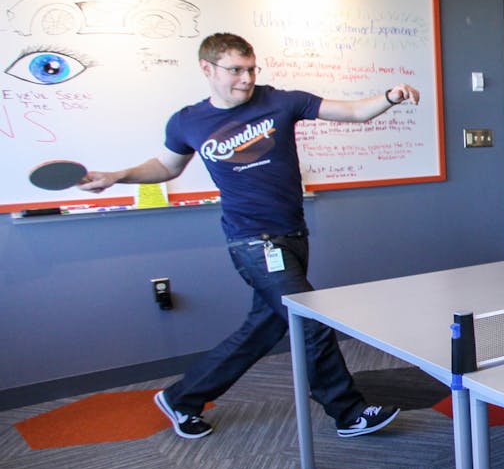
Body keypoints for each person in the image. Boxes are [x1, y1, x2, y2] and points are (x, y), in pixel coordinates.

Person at [79, 32, 414, 441]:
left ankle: (182, 398)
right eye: (235, 70)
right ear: (207, 69)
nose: (246, 78)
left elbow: (354, 112)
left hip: (292, 232)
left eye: (251, 69)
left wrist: (390, 96)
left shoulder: (282, 101)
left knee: (265, 327)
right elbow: (166, 168)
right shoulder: (188, 121)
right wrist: (116, 177)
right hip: (252, 240)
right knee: (309, 317)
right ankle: (348, 412)